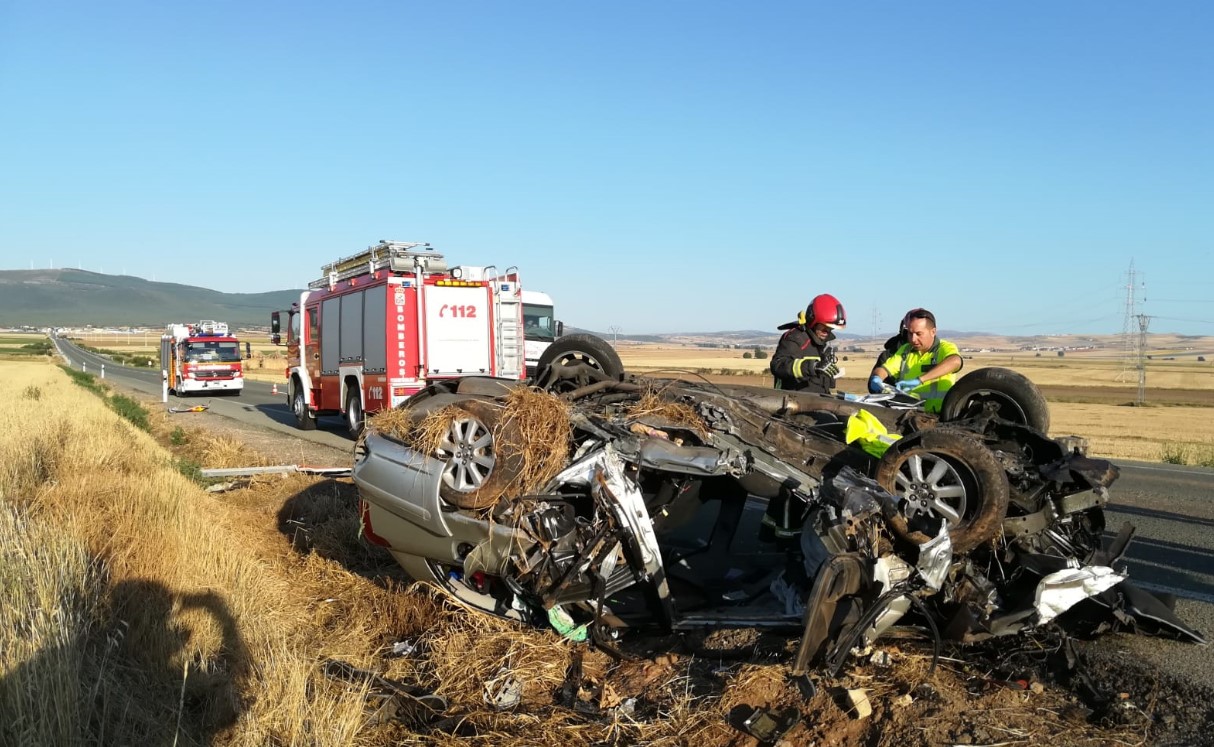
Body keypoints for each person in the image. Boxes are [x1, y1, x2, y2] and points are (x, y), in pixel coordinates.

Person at [868, 308, 962, 412]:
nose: (913, 339)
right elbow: (885, 369)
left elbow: (955, 361)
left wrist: (920, 380)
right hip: (908, 414)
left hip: (938, 415)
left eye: (919, 334)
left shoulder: (944, 348)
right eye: (910, 333)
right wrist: (876, 378)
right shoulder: (905, 350)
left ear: (933, 332)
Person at [770, 294, 847, 394]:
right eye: (824, 327)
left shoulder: (823, 343)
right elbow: (777, 365)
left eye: (830, 329)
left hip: (819, 401)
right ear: (813, 320)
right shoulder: (795, 338)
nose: (827, 332)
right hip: (794, 402)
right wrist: (812, 366)